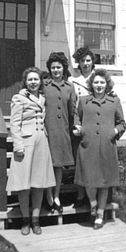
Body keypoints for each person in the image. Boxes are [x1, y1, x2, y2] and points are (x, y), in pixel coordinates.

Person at [73, 69, 126, 229]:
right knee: (89, 181)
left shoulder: (114, 101)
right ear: (91, 84)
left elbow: (122, 123)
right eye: (96, 82)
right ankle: (93, 204)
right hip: (87, 145)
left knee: (104, 182)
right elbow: (77, 116)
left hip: (106, 146)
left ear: (107, 84)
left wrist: (115, 131)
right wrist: (78, 128)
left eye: (102, 82)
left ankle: (100, 214)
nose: (99, 85)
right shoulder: (83, 101)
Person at [6, 67, 55, 236]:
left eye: (36, 79)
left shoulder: (42, 98)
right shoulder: (19, 98)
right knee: (23, 185)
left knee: (38, 184)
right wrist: (17, 145)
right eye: (30, 80)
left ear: (40, 81)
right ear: (25, 82)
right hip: (25, 144)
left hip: (41, 143)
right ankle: (25, 220)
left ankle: (36, 220)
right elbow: (14, 124)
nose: (33, 82)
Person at [43, 52, 76, 213]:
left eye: (59, 67)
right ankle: (48, 194)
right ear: (49, 69)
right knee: (47, 163)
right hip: (46, 129)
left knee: (58, 165)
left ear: (64, 69)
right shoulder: (44, 85)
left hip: (62, 130)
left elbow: (73, 111)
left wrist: (74, 127)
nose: (56, 70)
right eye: (53, 67)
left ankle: (56, 195)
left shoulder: (69, 87)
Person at [69, 46, 95, 207]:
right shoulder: (74, 81)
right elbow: (73, 105)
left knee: (93, 161)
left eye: (88, 60)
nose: (85, 64)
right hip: (81, 124)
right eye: (82, 61)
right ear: (78, 63)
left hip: (95, 124)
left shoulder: (99, 79)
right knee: (80, 160)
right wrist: (76, 124)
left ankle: (92, 195)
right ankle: (80, 195)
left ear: (93, 62)